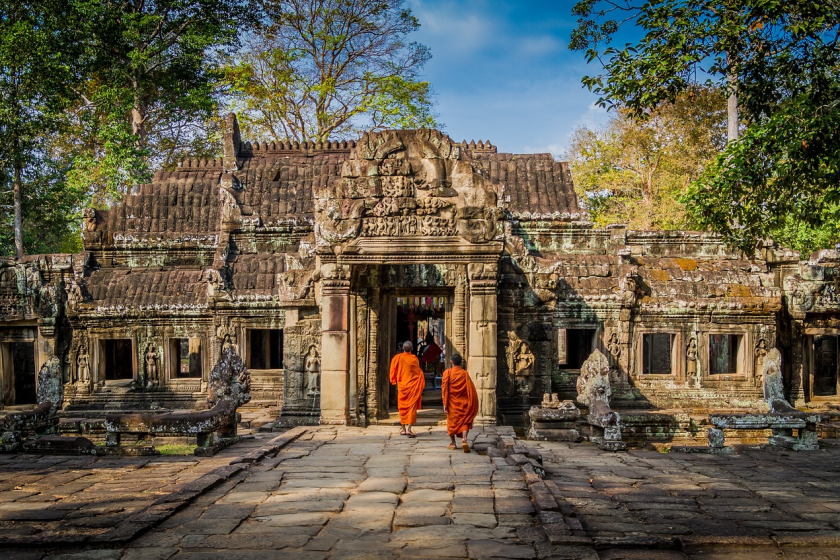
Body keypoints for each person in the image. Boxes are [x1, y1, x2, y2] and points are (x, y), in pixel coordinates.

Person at [442, 353, 479, 452]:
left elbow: (445, 389)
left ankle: (453, 443)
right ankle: (464, 439)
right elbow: (470, 389)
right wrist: (472, 401)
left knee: (451, 423)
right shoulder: (464, 374)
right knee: (464, 421)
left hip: (452, 403)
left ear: (451, 362)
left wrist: (445, 403)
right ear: (461, 363)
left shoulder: (447, 373)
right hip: (464, 402)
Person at [389, 340, 425, 437]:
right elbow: (418, 373)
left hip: (402, 386)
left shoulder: (397, 358)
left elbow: (392, 371)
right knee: (411, 408)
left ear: (402, 348)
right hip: (412, 386)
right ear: (412, 349)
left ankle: (403, 429)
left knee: (402, 408)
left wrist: (393, 380)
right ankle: (409, 428)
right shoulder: (414, 359)